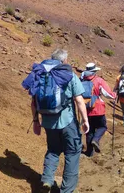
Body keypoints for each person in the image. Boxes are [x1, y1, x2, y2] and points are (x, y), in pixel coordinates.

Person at [22, 49, 89, 193]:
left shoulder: (39, 74)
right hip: (68, 122)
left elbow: (34, 102)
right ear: (64, 60)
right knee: (72, 152)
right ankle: (66, 190)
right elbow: (79, 100)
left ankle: (47, 180)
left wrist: (36, 122)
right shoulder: (68, 74)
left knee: (53, 150)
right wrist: (85, 120)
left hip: (47, 122)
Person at [80, 63, 116, 157]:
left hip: (86, 109)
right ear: (94, 71)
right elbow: (108, 94)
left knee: (89, 130)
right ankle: (95, 140)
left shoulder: (81, 80)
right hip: (98, 108)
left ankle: (89, 152)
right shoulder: (99, 80)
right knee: (102, 127)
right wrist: (115, 95)